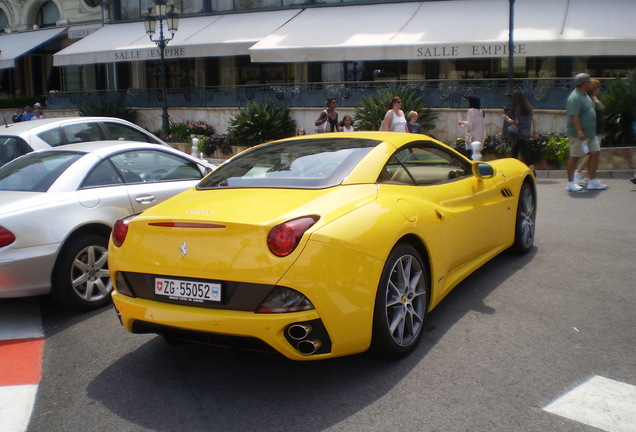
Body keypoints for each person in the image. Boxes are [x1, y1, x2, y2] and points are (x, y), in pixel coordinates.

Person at [565, 73, 607, 192]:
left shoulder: (585, 96)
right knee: (575, 157)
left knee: (595, 153)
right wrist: (579, 131)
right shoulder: (575, 97)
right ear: (583, 83)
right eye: (588, 82)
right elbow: (574, 116)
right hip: (579, 133)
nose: (590, 84)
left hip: (591, 133)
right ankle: (570, 182)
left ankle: (592, 181)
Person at [574, 79, 604, 186]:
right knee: (591, 154)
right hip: (592, 130)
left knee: (593, 153)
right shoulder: (588, 99)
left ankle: (588, 177)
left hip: (598, 129)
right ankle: (578, 172)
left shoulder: (596, 99)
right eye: (597, 87)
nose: (599, 89)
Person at [504, 91, 537, 172]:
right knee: (517, 151)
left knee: (522, 152)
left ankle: (531, 170)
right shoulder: (528, 108)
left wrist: (508, 120)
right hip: (526, 133)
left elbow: (517, 122)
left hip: (519, 133)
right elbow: (534, 120)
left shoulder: (517, 109)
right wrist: (534, 132)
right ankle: (514, 169)